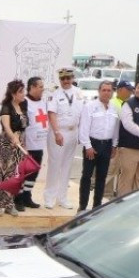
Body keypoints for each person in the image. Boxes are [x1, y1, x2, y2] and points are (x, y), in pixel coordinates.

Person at [77, 80, 118, 211]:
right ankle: (82, 207)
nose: (106, 93)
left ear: (112, 92)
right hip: (92, 144)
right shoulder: (90, 106)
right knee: (87, 176)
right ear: (99, 91)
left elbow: (115, 128)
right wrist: (88, 146)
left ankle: (97, 207)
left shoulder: (114, 108)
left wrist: (114, 145)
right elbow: (84, 128)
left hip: (107, 145)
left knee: (102, 177)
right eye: (104, 90)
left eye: (109, 90)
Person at [0, 79, 27, 217]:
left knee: (14, 175)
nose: (24, 94)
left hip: (18, 145)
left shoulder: (23, 105)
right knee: (2, 174)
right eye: (21, 92)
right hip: (5, 144)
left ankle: (9, 204)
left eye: (23, 91)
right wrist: (14, 138)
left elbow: (23, 126)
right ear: (13, 93)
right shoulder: (6, 106)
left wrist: (21, 141)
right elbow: (7, 128)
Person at [45, 67, 82, 209]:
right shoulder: (55, 94)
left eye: (68, 78)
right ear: (60, 80)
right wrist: (56, 132)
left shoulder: (79, 93)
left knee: (67, 166)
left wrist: (81, 135)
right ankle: (49, 197)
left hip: (73, 132)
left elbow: (82, 113)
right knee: (54, 165)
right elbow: (51, 113)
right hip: (59, 133)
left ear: (72, 78)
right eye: (63, 79)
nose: (66, 81)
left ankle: (62, 198)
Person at [17, 76, 49, 211]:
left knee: (33, 173)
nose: (43, 89)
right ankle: (17, 199)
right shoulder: (24, 102)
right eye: (40, 86)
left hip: (39, 145)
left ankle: (27, 196)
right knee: (23, 173)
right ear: (33, 87)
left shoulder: (43, 102)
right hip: (27, 145)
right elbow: (20, 123)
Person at [103, 80, 133, 199]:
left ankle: (118, 194)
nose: (130, 92)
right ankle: (105, 195)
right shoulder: (112, 103)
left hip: (125, 144)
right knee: (110, 171)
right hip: (113, 143)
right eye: (128, 89)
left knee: (123, 171)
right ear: (120, 90)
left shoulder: (129, 103)